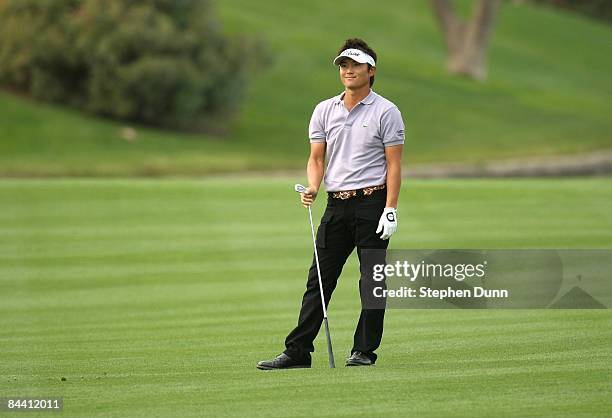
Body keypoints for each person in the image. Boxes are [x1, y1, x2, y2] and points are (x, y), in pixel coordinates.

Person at [257, 38, 404, 369]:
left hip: (372, 203)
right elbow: (316, 158)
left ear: (371, 70)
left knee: (373, 280)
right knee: (319, 280)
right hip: (336, 206)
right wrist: (312, 185)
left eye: (354, 65)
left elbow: (394, 165)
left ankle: (364, 350)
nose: (348, 71)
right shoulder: (324, 110)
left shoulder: (386, 112)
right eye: (343, 65)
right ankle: (298, 352)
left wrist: (390, 208)